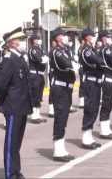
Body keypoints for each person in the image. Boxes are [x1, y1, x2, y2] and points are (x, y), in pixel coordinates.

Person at [0, 27, 32, 179]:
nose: (23, 43)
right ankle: (10, 174)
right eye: (20, 40)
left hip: (22, 106)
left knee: (16, 143)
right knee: (11, 144)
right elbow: (0, 84)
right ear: (12, 43)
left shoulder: (20, 58)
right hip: (13, 106)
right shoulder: (9, 59)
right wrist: (6, 101)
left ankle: (16, 171)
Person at [49, 27, 76, 162]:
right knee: (60, 117)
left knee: (64, 117)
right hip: (59, 88)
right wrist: (74, 64)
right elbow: (68, 64)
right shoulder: (56, 52)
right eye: (63, 35)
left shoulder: (64, 50)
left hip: (66, 88)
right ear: (57, 38)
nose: (65, 37)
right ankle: (58, 151)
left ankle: (61, 148)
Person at [79, 28, 104, 149]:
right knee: (89, 109)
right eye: (92, 35)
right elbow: (98, 61)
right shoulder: (86, 51)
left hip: (96, 82)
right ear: (87, 37)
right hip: (90, 82)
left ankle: (89, 136)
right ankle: (85, 138)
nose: (94, 37)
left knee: (94, 109)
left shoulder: (93, 49)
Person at [97, 30, 112, 139]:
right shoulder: (105, 50)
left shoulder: (109, 49)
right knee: (106, 105)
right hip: (108, 80)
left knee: (109, 104)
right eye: (108, 37)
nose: (110, 39)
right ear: (103, 39)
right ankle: (103, 131)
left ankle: (106, 129)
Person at [28, 34, 49, 124]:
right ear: (33, 41)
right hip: (34, 75)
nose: (39, 40)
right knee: (34, 95)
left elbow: (46, 58)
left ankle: (38, 114)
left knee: (39, 96)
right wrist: (44, 58)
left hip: (40, 75)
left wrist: (44, 58)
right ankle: (34, 115)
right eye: (37, 39)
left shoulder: (40, 50)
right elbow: (41, 60)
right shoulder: (32, 50)